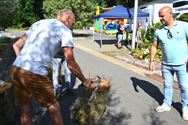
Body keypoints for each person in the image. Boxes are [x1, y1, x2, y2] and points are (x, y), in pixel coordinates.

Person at [10, 9, 91, 125]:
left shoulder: (39, 23)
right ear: (68, 18)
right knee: (54, 108)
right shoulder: (65, 30)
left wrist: (23, 63)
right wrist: (85, 81)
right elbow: (71, 64)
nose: (71, 27)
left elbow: (16, 45)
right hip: (34, 72)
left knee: (25, 108)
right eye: (73, 23)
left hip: (16, 69)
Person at [149, 6, 188, 121]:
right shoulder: (159, 30)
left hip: (182, 64)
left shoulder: (184, 26)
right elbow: (154, 46)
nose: (160, 19)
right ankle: (166, 104)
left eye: (162, 16)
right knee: (167, 85)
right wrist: (151, 61)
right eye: (159, 16)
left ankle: (185, 107)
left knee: (184, 87)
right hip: (166, 64)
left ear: (170, 14)